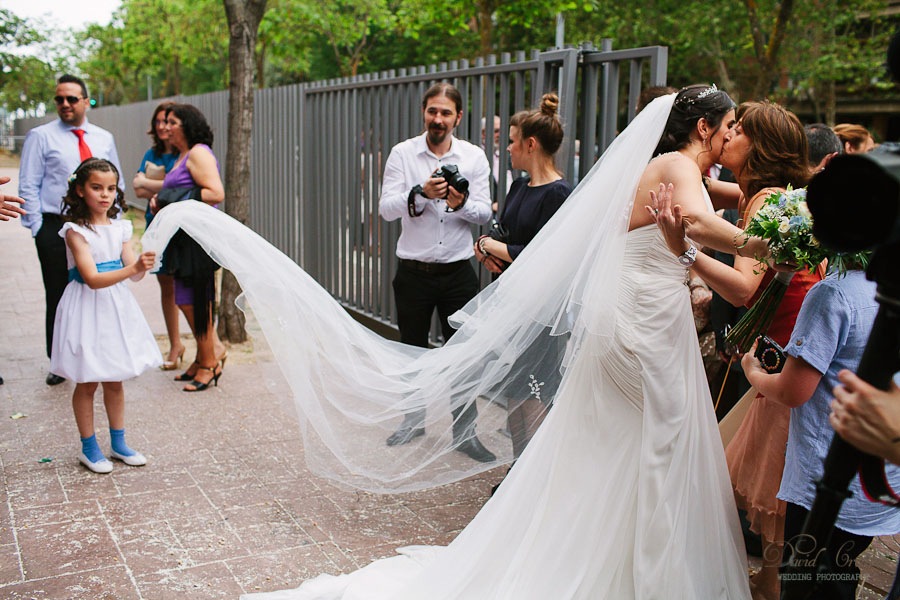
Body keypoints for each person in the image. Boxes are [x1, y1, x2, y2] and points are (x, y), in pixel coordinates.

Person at [147, 86, 753, 598]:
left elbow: (705, 206)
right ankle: (650, 567)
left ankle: (615, 549)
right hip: (608, 311)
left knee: (625, 436)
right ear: (705, 127)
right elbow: (699, 225)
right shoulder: (676, 167)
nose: (731, 138)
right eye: (729, 128)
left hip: (625, 309)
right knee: (658, 433)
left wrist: (769, 200)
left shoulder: (663, 167)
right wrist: (777, 242)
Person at [652, 100, 822, 600]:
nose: (729, 136)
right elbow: (705, 193)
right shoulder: (760, 192)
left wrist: (687, 253)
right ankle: (771, 579)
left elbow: (747, 289)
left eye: (739, 130)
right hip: (777, 345)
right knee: (764, 479)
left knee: (766, 479)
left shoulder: (769, 200)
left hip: (783, 349)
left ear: (761, 146)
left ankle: (775, 582)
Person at [739, 261, 900, 599]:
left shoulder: (832, 293)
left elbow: (792, 392)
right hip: (878, 481)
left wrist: (752, 370)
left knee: (805, 579)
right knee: (841, 569)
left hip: (827, 477)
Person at [378, 83, 495, 463]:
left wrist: (457, 203)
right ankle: (413, 421)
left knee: (463, 355)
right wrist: (421, 192)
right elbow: (386, 208)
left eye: (446, 113)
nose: (438, 119)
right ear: (424, 112)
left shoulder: (474, 157)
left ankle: (465, 432)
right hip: (412, 271)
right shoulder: (403, 154)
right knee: (410, 350)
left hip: (458, 273)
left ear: (458, 117)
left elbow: (484, 214)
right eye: (432, 111)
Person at [474, 93, 573, 459]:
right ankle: (517, 469)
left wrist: (491, 245)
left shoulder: (559, 194)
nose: (508, 148)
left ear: (531, 144)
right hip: (512, 303)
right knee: (515, 390)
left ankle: (535, 474)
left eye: (512, 141)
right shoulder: (518, 186)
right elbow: (507, 237)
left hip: (541, 312)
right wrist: (488, 249)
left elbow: (544, 257)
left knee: (535, 391)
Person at [50, 158, 160, 473]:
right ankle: (89, 447)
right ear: (80, 190)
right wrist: (132, 268)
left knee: (114, 378)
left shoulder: (121, 227)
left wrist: (142, 264)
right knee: (87, 381)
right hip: (86, 306)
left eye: (110, 188)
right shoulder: (74, 231)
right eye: (96, 187)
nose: (105, 195)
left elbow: (133, 274)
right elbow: (93, 278)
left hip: (115, 308)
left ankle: (119, 442)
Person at [18, 74, 124, 386]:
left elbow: (113, 182)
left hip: (95, 227)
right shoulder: (41, 136)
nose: (65, 104)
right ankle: (59, 362)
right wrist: (37, 227)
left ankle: (98, 355)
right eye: (59, 99)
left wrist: (113, 226)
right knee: (59, 292)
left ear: (86, 101)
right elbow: (29, 183)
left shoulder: (104, 137)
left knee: (99, 290)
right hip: (55, 226)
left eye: (71, 99)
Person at [151, 103, 227, 392]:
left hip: (198, 238)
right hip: (182, 239)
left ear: (187, 124)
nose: (165, 127)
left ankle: (210, 364)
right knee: (186, 298)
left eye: (172, 122)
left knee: (196, 301)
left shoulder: (198, 152)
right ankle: (202, 358)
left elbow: (215, 192)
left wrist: (169, 196)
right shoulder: (181, 155)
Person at [133, 102, 182, 370]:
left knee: (187, 285)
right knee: (166, 286)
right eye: (159, 121)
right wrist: (161, 186)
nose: (163, 126)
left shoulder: (185, 153)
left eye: (168, 121)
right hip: (156, 226)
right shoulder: (151, 153)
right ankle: (176, 344)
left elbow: (179, 186)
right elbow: (138, 191)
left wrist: (151, 184)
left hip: (181, 228)